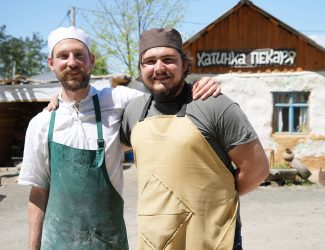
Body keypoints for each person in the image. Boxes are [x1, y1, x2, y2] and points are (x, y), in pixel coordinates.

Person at [18, 26, 220, 250]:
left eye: (79, 55)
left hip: (109, 243)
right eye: (63, 56)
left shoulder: (118, 100)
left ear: (91, 60)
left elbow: (165, 94)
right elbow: (38, 192)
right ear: (51, 64)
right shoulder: (41, 123)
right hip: (57, 244)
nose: (72, 62)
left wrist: (198, 85)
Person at [120, 28, 270, 250]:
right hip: (155, 240)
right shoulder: (134, 111)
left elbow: (257, 169)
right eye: (149, 61)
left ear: (184, 64)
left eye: (168, 59)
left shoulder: (215, 105)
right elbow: (110, 145)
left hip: (212, 239)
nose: (158, 68)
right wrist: (60, 101)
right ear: (141, 69)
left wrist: (216, 199)